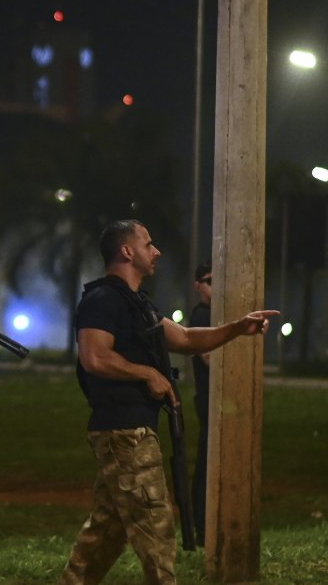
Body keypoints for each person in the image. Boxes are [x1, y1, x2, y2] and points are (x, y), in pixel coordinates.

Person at [59, 220, 278, 585]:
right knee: (156, 526)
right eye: (148, 244)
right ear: (126, 251)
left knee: (108, 528)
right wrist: (148, 374)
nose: (156, 251)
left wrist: (238, 328)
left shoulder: (136, 304)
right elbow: (94, 357)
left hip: (133, 427)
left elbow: (187, 339)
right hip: (122, 429)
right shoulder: (102, 300)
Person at [187, 260, 212, 547]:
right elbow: (209, 357)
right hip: (208, 398)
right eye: (210, 281)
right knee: (207, 463)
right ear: (198, 286)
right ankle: (203, 528)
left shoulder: (214, 314)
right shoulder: (202, 315)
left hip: (216, 399)